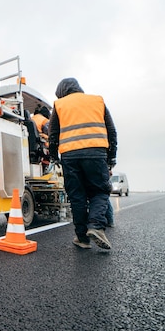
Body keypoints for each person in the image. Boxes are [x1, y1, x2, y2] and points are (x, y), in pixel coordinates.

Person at [48, 78, 117, 249]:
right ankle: (95, 226)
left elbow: (53, 134)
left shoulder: (59, 104)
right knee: (100, 191)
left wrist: (53, 156)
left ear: (62, 91)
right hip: (96, 153)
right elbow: (111, 130)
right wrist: (111, 158)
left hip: (69, 156)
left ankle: (82, 238)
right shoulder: (97, 100)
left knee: (76, 196)